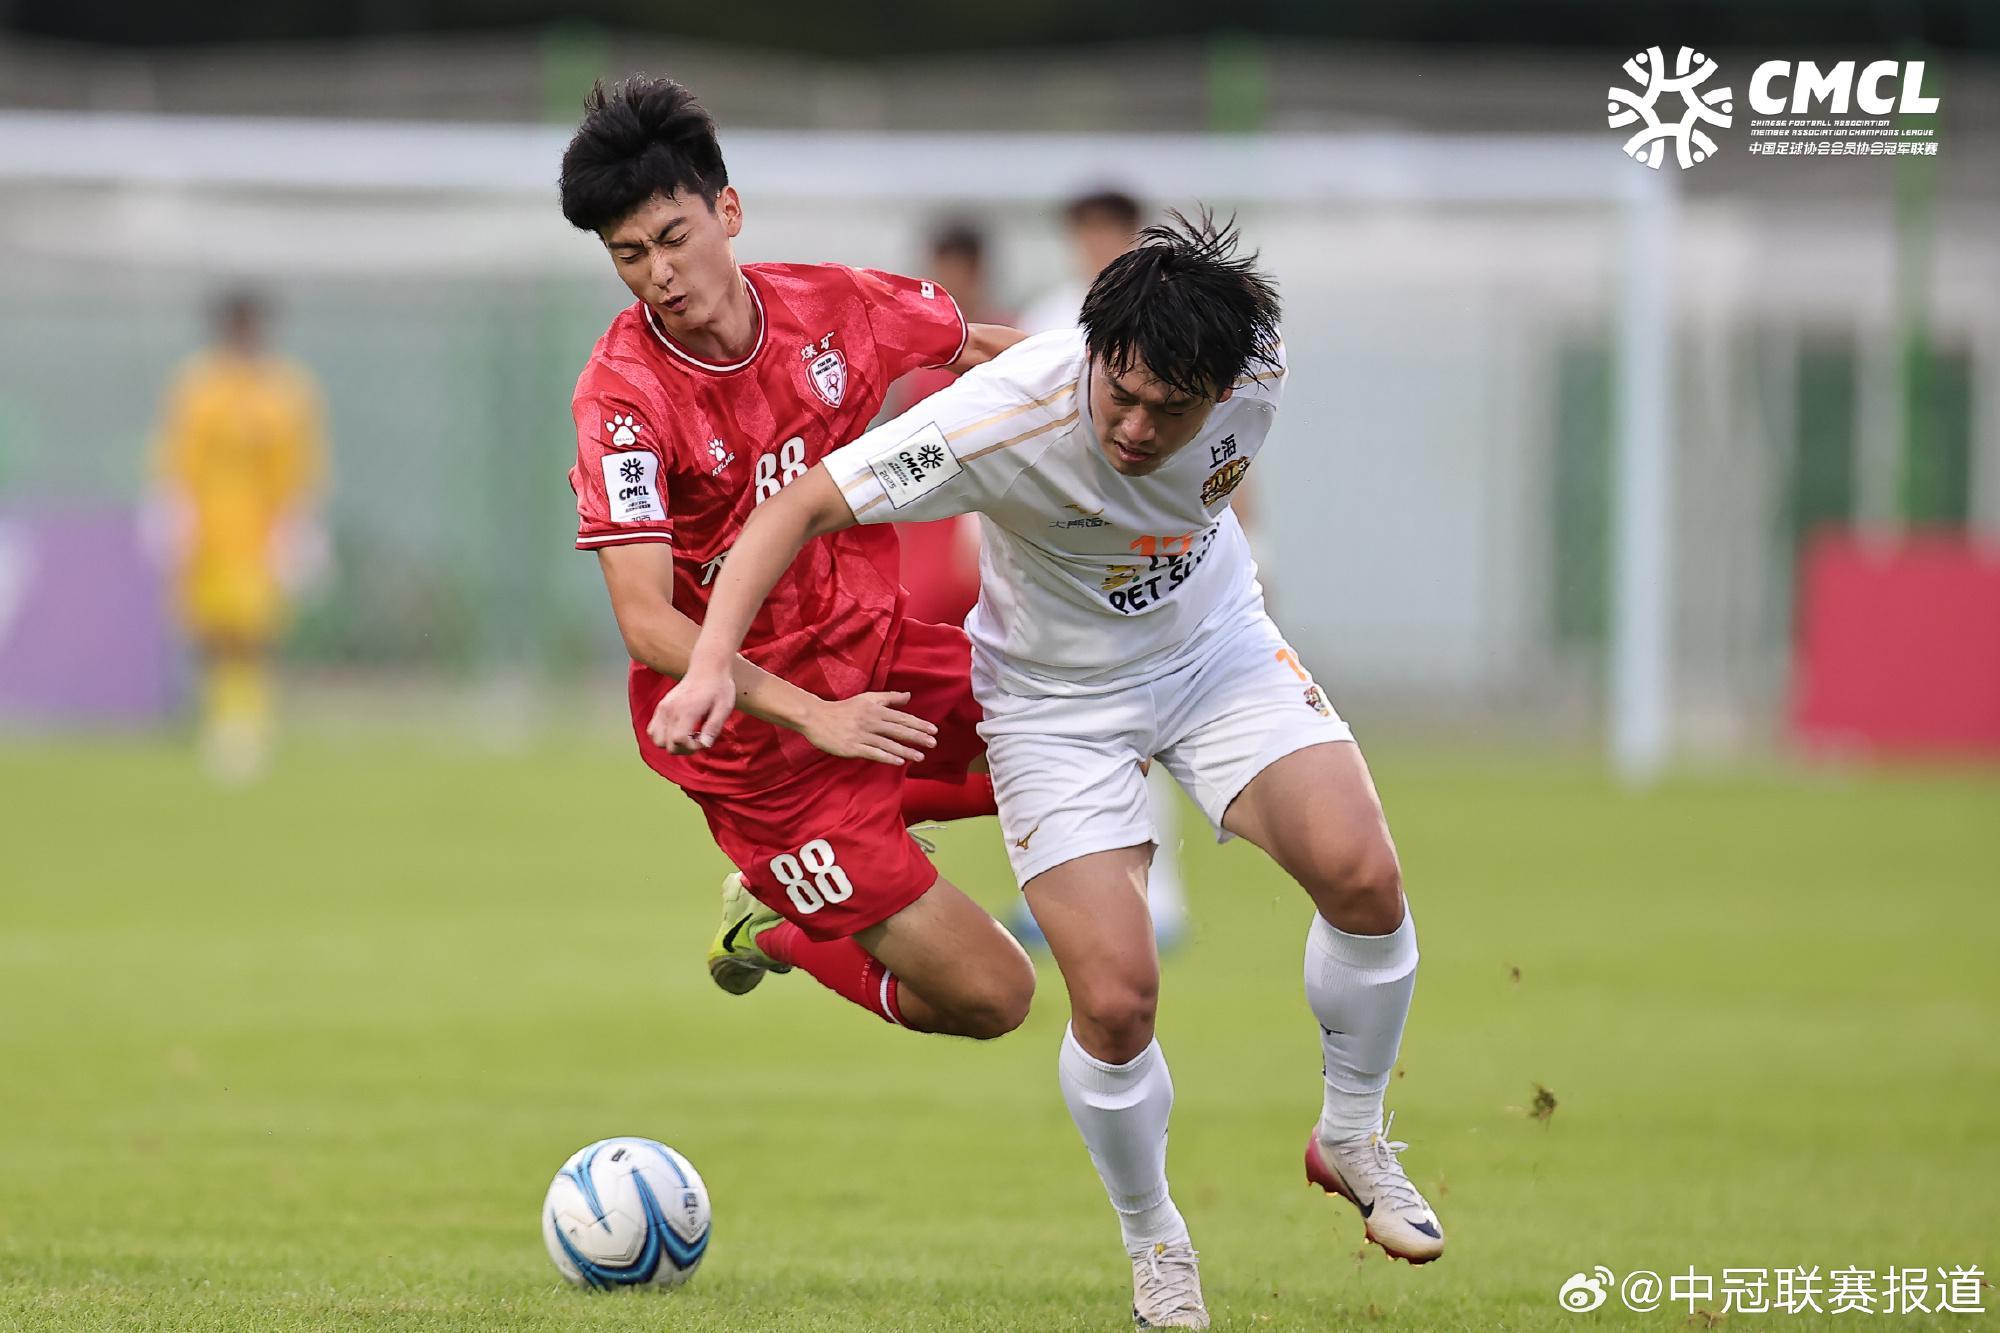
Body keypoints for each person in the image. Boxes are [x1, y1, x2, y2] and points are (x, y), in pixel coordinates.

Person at [662, 214, 1445, 1328]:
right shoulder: (1000, 421)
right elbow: (800, 505)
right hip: (1053, 706)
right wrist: (710, 663)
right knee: (1116, 999)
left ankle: (1353, 1135)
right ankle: (1155, 1241)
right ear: (1092, 354)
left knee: (1363, 874)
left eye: (1170, 410)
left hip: (1213, 650)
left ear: (1224, 387)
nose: (1136, 427)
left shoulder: (1258, 368)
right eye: (1118, 395)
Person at [557, 75, 1035, 1041]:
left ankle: (849, 834)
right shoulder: (623, 399)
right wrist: (814, 714)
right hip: (760, 750)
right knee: (996, 996)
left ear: (728, 211)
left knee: (1094, 737)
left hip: (879, 658)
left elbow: (996, 352)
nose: (660, 274)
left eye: (674, 237)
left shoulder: (833, 308)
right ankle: (771, 921)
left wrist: (1137, 397)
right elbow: (647, 620)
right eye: (630, 255)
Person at [1019, 188, 1190, 953]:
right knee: (1046, 722)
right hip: (1054, 555)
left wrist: (1257, 546)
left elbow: (1220, 443)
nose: (1098, 245)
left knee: (1145, 718)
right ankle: (1063, 887)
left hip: (1147, 552)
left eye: (1111, 232)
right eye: (1087, 232)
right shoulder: (1051, 316)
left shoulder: (1179, 321)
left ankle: (1157, 892)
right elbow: (998, 427)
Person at [151, 289, 326, 783]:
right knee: (212, 631)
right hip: (211, 529)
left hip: (260, 532)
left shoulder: (286, 392)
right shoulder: (198, 388)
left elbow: (298, 462)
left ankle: (250, 722)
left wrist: (298, 523)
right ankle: (220, 719)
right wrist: (174, 510)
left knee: (255, 631)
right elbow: (179, 455)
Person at [887, 221, 1008, 628]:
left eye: (959, 272)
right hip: (926, 518)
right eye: (941, 273)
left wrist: (974, 528)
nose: (950, 286)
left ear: (977, 273)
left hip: (977, 514)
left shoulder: (1006, 348)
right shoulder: (916, 355)